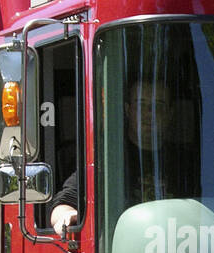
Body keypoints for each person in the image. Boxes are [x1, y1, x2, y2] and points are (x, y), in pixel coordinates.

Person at [50, 79, 182, 236]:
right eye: (141, 105)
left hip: (179, 246)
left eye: (158, 106)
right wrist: (67, 215)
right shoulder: (106, 159)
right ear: (128, 110)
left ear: (170, 113)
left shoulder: (184, 162)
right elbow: (63, 203)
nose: (148, 112)